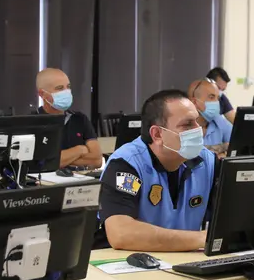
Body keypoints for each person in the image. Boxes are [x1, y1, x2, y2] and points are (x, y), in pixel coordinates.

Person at [98, 90, 216, 252]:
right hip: (128, 264)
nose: (199, 130)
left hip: (185, 261)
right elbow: (121, 234)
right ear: (157, 134)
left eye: (197, 121)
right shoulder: (126, 165)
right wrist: (203, 238)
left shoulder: (207, 161)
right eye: (187, 124)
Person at [36, 68, 103, 170]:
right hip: (47, 183)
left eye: (68, 87)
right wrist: (80, 150)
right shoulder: (32, 123)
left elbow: (97, 160)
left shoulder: (80, 119)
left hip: (79, 181)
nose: (66, 92)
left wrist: (61, 160)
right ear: (42, 94)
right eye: (59, 88)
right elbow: (41, 164)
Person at [188, 78, 232, 157]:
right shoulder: (181, 124)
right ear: (194, 102)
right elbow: (190, 155)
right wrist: (222, 148)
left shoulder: (219, 120)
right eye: (211, 97)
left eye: (217, 98)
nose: (216, 102)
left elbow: (236, 145)